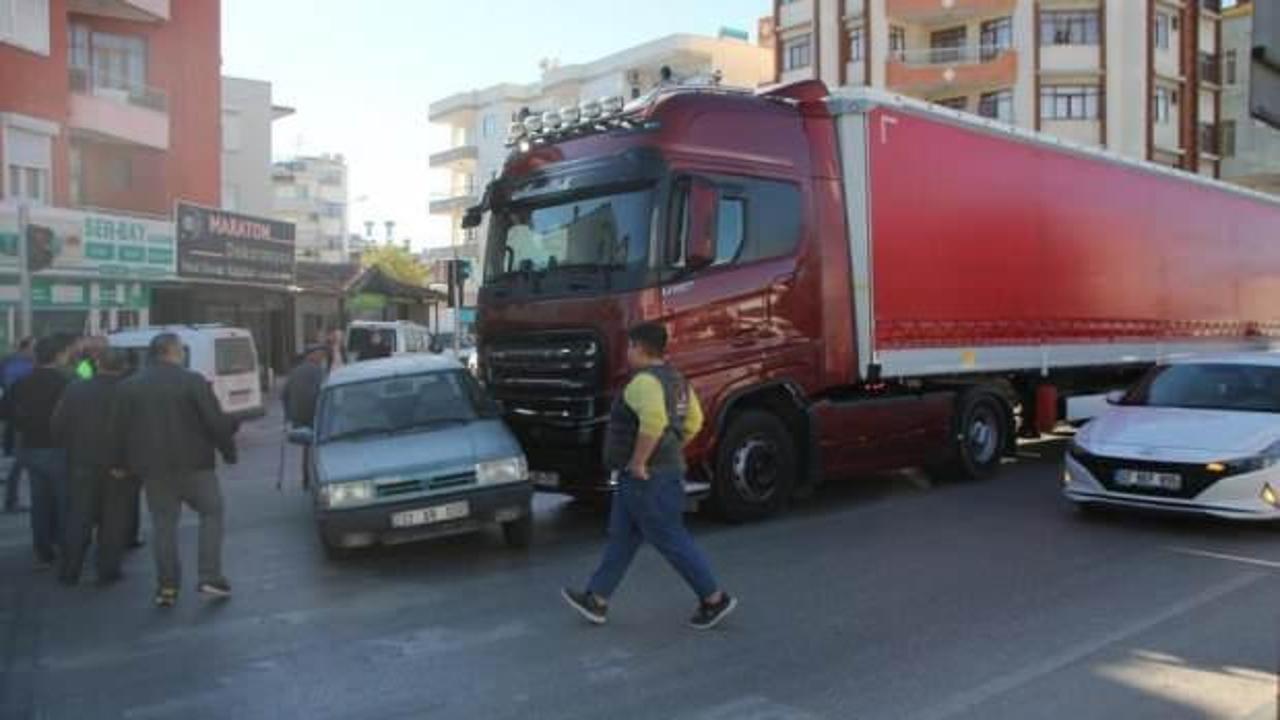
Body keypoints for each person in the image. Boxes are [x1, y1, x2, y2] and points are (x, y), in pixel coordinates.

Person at [561, 323, 737, 630]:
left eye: (629, 347)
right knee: (623, 536)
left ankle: (713, 598)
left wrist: (642, 461)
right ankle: (597, 599)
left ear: (640, 348)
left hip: (646, 476)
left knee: (669, 536)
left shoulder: (644, 383)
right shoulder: (678, 380)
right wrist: (671, 449)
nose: (627, 353)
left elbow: (653, 422)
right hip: (654, 473)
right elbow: (694, 421)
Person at [113, 333, 239, 608]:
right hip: (196, 466)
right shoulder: (192, 381)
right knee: (211, 513)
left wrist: (121, 465)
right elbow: (214, 421)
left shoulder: (129, 387)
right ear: (171, 351)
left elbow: (119, 431)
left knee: (163, 526)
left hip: (154, 471)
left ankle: (167, 587)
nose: (182, 353)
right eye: (180, 349)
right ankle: (210, 576)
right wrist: (228, 452)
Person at [52, 348, 134, 585]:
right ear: (123, 366)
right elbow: (137, 432)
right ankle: (108, 569)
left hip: (82, 462)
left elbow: (58, 425)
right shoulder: (130, 390)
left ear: (97, 364)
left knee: (79, 517)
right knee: (114, 520)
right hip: (119, 466)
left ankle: (70, 570)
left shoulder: (76, 387)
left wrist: (72, 450)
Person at [10, 336, 73, 568]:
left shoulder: (22, 382)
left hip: (30, 447)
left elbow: (5, 411)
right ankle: (68, 549)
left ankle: (43, 551)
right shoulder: (67, 381)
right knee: (64, 501)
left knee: (40, 502)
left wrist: (24, 425)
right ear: (58, 356)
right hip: (57, 448)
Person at [283, 344, 326, 489]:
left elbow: (283, 395)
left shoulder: (295, 371)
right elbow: (324, 392)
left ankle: (306, 479)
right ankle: (317, 478)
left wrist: (289, 415)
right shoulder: (318, 371)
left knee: (307, 448)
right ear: (310, 355)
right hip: (315, 415)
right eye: (319, 354)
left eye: (322, 354)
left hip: (299, 417)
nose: (321, 357)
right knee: (318, 448)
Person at [2, 337, 35, 512]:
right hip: (21, 418)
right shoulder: (20, 366)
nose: (35, 352)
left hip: (19, 417)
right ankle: (13, 500)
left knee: (21, 459)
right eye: (33, 348)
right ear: (25, 349)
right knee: (21, 459)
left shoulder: (16, 364)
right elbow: (16, 391)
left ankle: (13, 499)